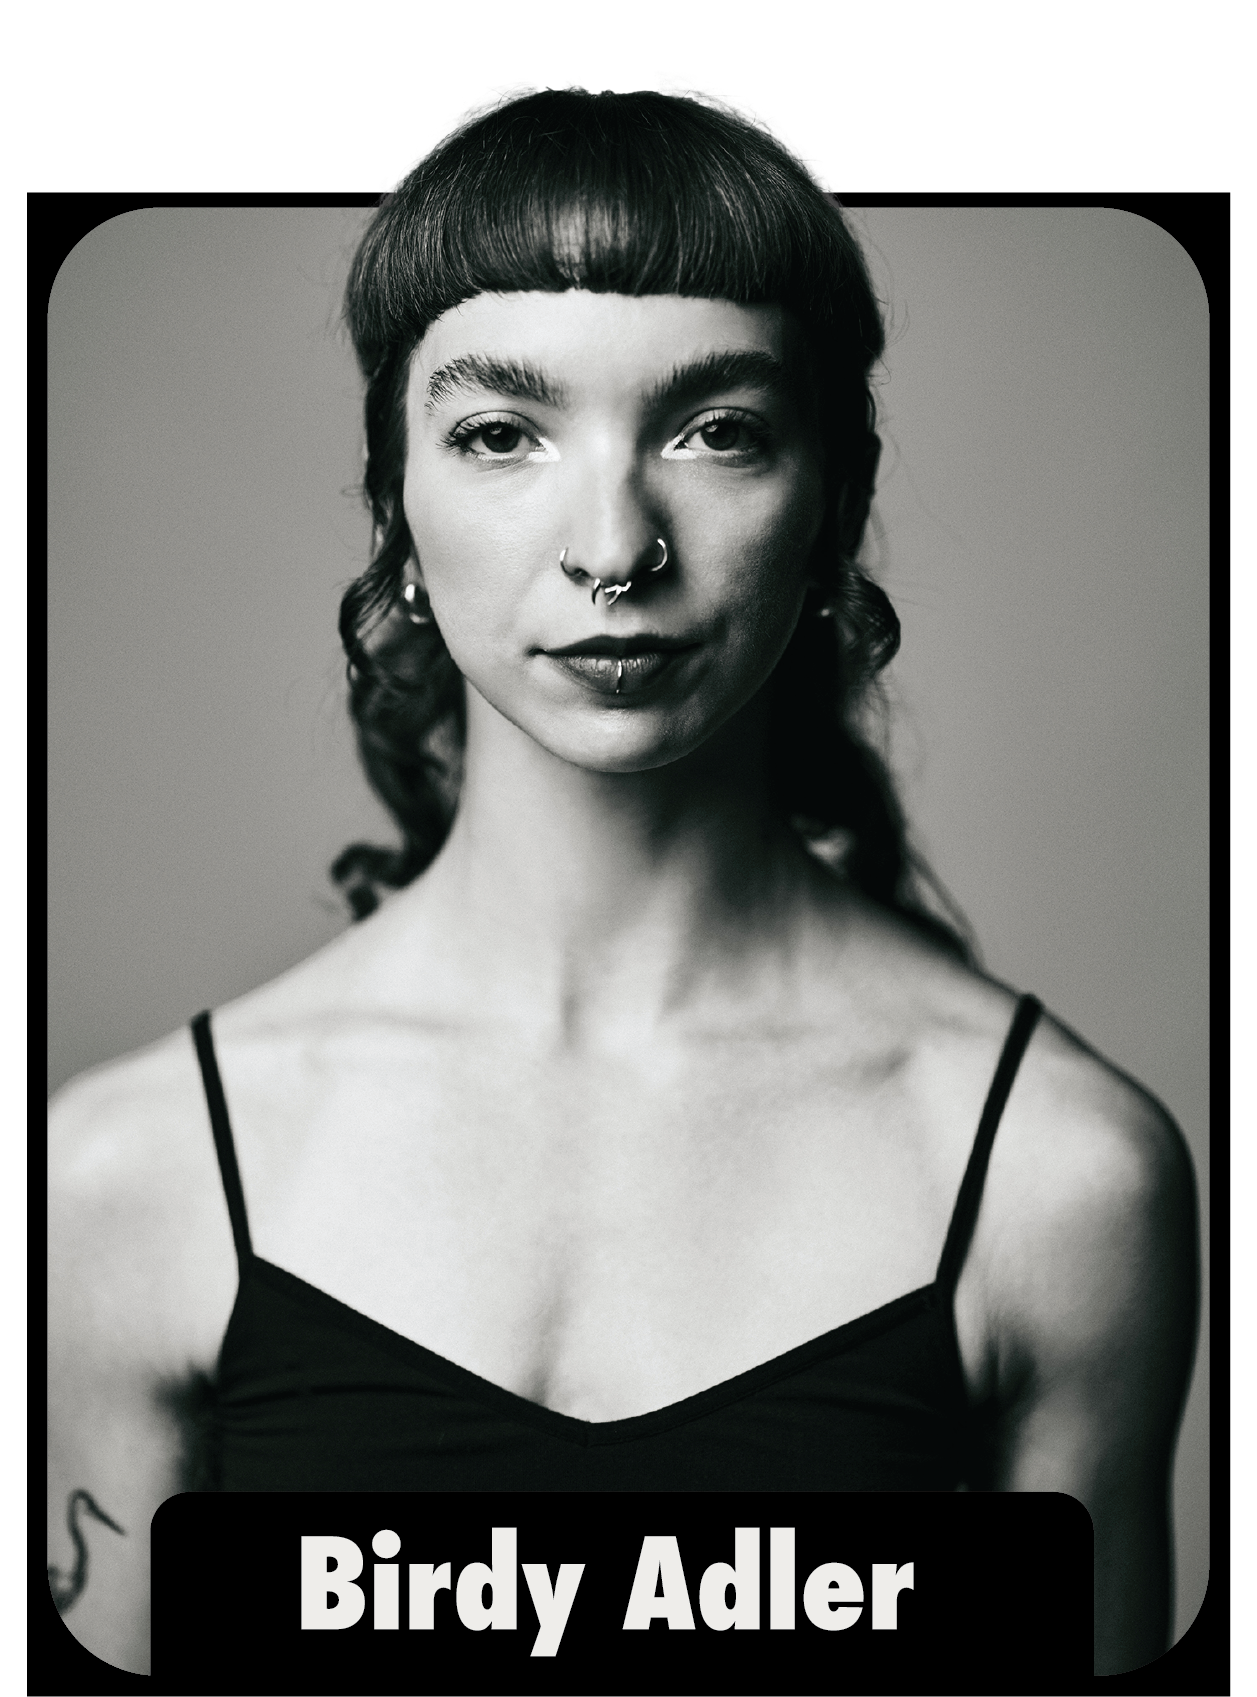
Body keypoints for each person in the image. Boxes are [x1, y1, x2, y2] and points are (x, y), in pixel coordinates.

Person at [48, 83, 1198, 1676]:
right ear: (395, 506)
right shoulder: (135, 1176)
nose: (612, 545)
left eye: (716, 429)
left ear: (835, 504)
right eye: (502, 434)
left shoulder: (1060, 1178)